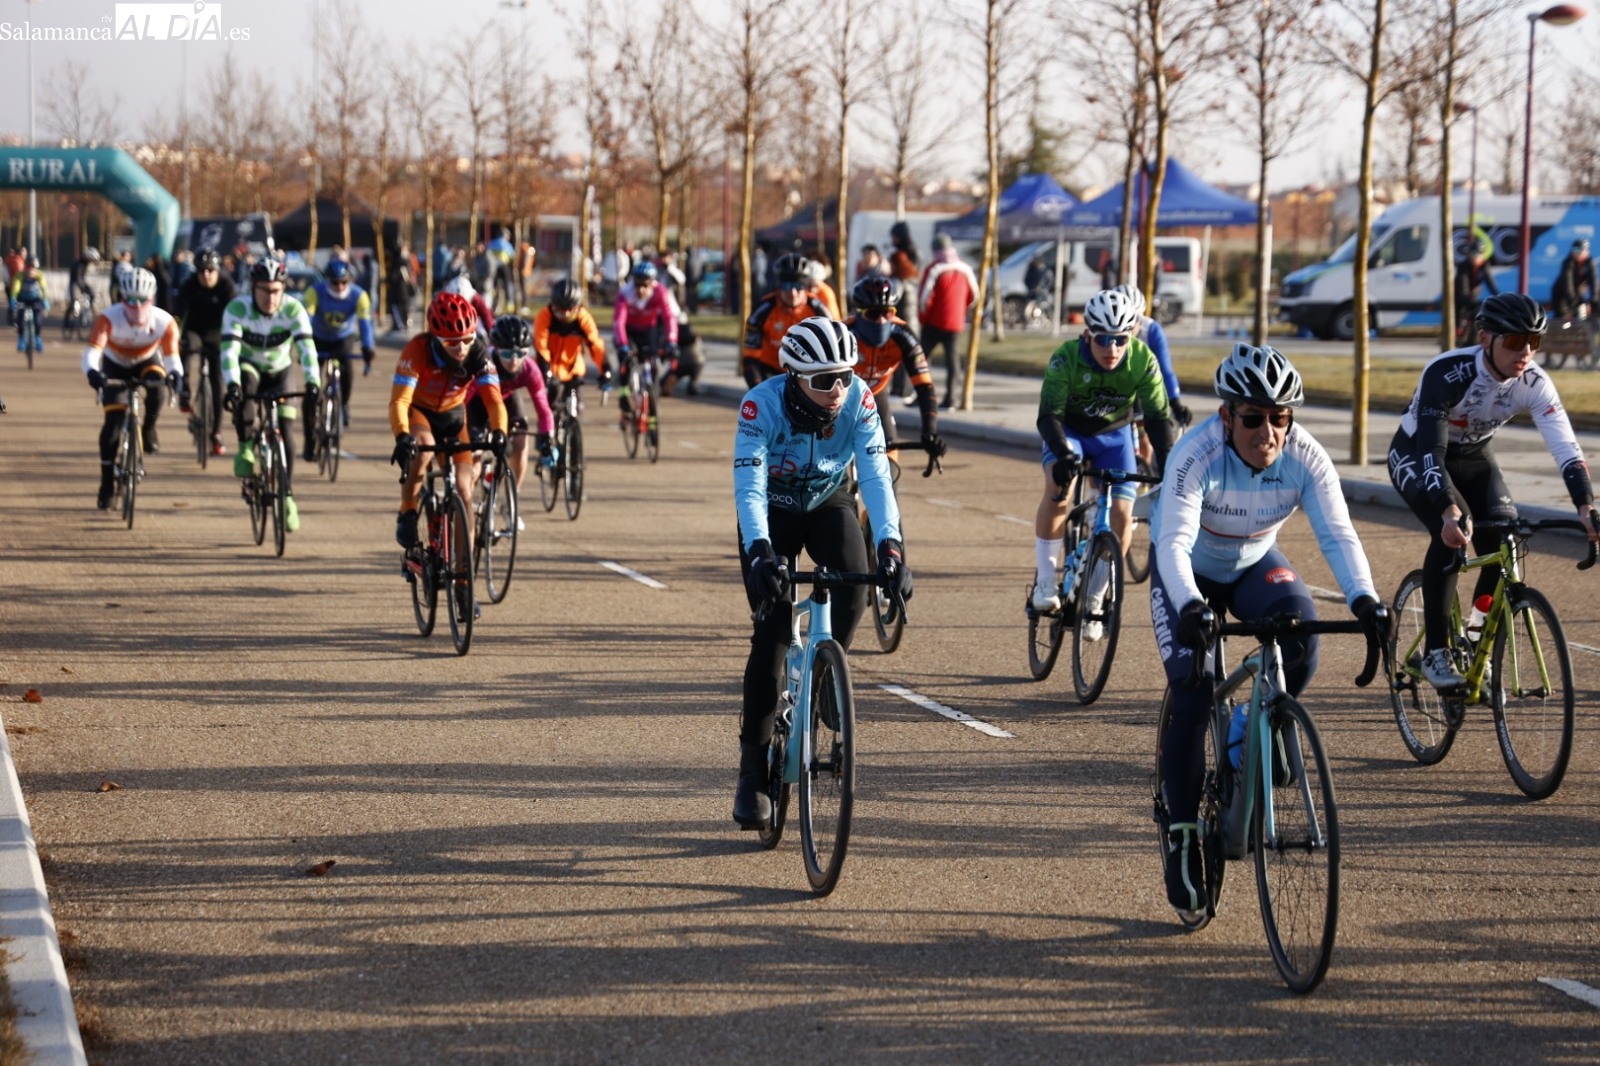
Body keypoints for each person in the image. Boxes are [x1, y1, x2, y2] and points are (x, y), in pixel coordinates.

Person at [1153, 344, 1388, 921]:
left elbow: (1338, 534)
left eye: (1280, 417)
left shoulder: (1305, 457)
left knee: (1303, 639)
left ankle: (1242, 736)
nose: (1269, 430)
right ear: (1227, 416)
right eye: (1253, 417)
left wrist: (1366, 601)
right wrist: (1188, 605)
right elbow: (1173, 544)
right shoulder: (1195, 454)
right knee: (1192, 685)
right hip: (1188, 573)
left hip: (1255, 561)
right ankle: (1182, 832)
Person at [731, 317, 914, 827]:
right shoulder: (759, 406)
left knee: (857, 586)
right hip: (773, 514)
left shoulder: (859, 399)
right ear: (794, 376)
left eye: (846, 375)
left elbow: (876, 476)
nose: (838, 389)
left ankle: (826, 679)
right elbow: (748, 490)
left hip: (827, 501)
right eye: (824, 380)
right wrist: (760, 553)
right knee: (770, 632)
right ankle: (751, 773)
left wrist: (892, 546)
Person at [1386, 292, 1600, 691]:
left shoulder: (1535, 383)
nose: (1526, 353)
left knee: (1507, 543)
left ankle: (1472, 641)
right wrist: (1448, 509)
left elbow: (1566, 447)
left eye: (1535, 342)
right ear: (1485, 339)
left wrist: (1585, 504)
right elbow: (1431, 450)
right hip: (1419, 453)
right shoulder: (1446, 372)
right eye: (1516, 342)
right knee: (1454, 534)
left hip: (1474, 456)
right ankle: (1435, 652)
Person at [1031, 289, 1177, 622]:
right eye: (1102, 339)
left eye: (1119, 340)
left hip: (1115, 438)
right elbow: (1048, 416)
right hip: (1071, 432)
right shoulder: (1066, 357)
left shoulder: (1142, 358)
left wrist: (1168, 464)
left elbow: (1157, 417)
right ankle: (1044, 583)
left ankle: (1097, 597)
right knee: (1059, 491)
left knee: (1123, 516)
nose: (1111, 349)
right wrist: (1063, 455)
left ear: (1130, 336)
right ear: (1087, 334)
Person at [389, 291, 507, 553]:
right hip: (420, 413)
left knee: (464, 492)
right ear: (436, 338)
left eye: (467, 339)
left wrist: (499, 431)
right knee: (421, 447)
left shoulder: (478, 353)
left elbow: (494, 400)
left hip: (454, 417)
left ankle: (464, 580)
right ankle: (407, 510)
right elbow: (399, 401)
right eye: (452, 343)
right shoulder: (417, 350)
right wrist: (401, 436)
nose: (461, 348)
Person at [220, 258, 321, 533]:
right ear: (253, 288)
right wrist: (232, 385)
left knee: (286, 429)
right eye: (264, 290)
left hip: (280, 370)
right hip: (249, 367)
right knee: (246, 388)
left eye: (276, 290)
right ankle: (244, 449)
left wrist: (313, 383)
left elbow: (307, 349)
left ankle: (286, 496)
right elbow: (229, 352)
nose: (270, 297)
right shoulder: (237, 308)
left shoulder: (293, 309)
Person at [82, 268, 181, 507]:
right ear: (120, 297)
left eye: (142, 301)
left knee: (158, 387)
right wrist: (93, 373)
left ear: (152, 298)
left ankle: (148, 429)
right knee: (113, 424)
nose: (136, 307)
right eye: (130, 300)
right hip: (115, 365)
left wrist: (176, 375)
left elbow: (172, 359)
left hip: (148, 361)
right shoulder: (108, 317)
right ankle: (106, 483)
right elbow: (91, 354)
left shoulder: (164, 321)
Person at [846, 275, 943, 468]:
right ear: (859, 313)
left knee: (889, 467)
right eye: (873, 314)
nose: (881, 320)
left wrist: (930, 431)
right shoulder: (842, 333)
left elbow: (924, 387)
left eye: (887, 313)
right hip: (840, 401)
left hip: (877, 397)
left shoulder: (904, 336)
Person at [469, 314, 555, 506]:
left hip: (508, 399)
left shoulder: (530, 370)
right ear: (496, 350)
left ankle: (511, 498)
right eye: (507, 354)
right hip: (479, 402)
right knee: (473, 459)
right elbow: (465, 398)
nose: (514, 360)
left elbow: (543, 409)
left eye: (520, 353)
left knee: (521, 440)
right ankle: (467, 500)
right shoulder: (484, 362)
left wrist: (547, 437)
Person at [300, 257, 376, 452]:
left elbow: (365, 324)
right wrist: (303, 349)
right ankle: (309, 438)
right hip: (318, 337)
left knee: (347, 367)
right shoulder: (314, 292)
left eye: (344, 282)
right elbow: (305, 320)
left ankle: (344, 404)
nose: (340, 286)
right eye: (335, 283)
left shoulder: (359, 295)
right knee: (312, 388)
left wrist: (368, 347)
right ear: (327, 280)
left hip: (343, 338)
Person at [174, 249, 238, 456]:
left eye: (210, 270)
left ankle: (217, 432)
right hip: (195, 331)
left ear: (217, 270)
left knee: (218, 383)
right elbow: (177, 314)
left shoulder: (227, 286)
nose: (206, 275)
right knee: (187, 346)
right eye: (202, 271)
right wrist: (173, 333)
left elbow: (237, 315)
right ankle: (184, 389)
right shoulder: (190, 284)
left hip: (217, 334)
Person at [741, 254, 832, 386]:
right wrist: (758, 389)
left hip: (806, 372)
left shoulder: (819, 310)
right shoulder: (762, 310)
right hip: (771, 371)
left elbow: (832, 354)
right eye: (787, 285)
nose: (793, 292)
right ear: (779, 286)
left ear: (806, 286)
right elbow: (750, 359)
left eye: (798, 285)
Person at [918, 233, 978, 409]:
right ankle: (951, 398)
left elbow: (924, 299)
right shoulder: (965, 268)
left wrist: (923, 318)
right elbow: (975, 295)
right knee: (953, 362)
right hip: (956, 322)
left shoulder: (934, 269)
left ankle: (924, 397)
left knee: (920, 361)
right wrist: (962, 310)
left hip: (934, 322)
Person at [613, 261, 682, 399]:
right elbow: (619, 321)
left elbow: (669, 317)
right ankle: (624, 395)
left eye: (645, 285)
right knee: (627, 361)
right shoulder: (625, 293)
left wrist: (671, 341)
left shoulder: (660, 292)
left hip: (649, 330)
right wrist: (622, 345)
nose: (641, 289)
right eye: (637, 285)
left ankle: (653, 405)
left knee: (654, 364)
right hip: (629, 331)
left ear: (652, 283)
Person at [8, 255, 48, 354]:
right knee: (20, 318)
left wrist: (45, 300)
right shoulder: (20, 275)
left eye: (33, 268)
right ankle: (21, 338)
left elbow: (43, 288)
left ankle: (38, 338)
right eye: (29, 267)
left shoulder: (39, 276)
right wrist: (13, 299)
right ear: (25, 267)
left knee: (38, 320)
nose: (31, 270)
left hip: (35, 299)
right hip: (23, 299)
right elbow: (16, 288)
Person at [1552, 239, 1598, 318]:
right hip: (1561, 293)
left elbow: (1593, 281)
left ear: (1587, 251)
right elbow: (1567, 284)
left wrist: (1594, 298)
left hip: (1579, 290)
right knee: (1562, 315)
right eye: (1576, 249)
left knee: (1595, 304)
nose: (1578, 253)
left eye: (1581, 249)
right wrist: (1573, 301)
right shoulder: (1568, 263)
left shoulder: (1589, 262)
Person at [388, 244, 417, 333]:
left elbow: (393, 277)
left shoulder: (396, 262)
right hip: (406, 289)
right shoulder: (408, 260)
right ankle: (405, 323)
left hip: (399, 289)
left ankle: (399, 324)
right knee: (405, 307)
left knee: (397, 307)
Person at [68, 246, 101, 314]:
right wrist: (83, 288)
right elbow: (77, 279)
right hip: (75, 284)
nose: (92, 262)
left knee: (92, 294)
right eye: (92, 260)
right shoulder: (79, 265)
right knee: (74, 301)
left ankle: (87, 310)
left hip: (80, 283)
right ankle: (72, 318)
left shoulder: (84, 263)